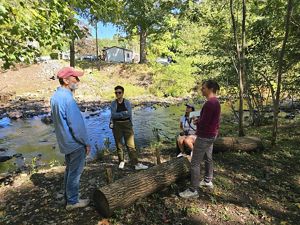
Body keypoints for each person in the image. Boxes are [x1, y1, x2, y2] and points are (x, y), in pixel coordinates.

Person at [50, 67, 90, 210]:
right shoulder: (68, 99)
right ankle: (72, 202)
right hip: (75, 143)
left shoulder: (55, 96)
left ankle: (68, 197)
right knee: (75, 173)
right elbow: (77, 126)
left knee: (69, 170)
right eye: (75, 78)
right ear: (66, 81)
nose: (78, 81)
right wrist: (86, 143)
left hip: (65, 142)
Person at [179, 80, 221, 198]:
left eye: (203, 88)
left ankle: (193, 190)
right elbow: (213, 121)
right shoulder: (216, 102)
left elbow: (205, 122)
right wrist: (201, 121)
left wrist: (198, 122)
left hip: (204, 136)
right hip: (212, 135)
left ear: (210, 89)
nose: (201, 90)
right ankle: (207, 180)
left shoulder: (209, 103)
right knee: (208, 158)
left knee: (195, 163)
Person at [110, 85, 148, 170]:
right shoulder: (113, 103)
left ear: (122, 93)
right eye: (116, 93)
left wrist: (119, 115)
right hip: (117, 126)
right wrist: (123, 113)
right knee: (119, 145)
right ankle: (121, 161)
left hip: (127, 124)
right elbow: (113, 115)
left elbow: (129, 114)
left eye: (119, 92)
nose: (117, 94)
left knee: (131, 145)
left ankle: (135, 163)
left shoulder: (127, 102)